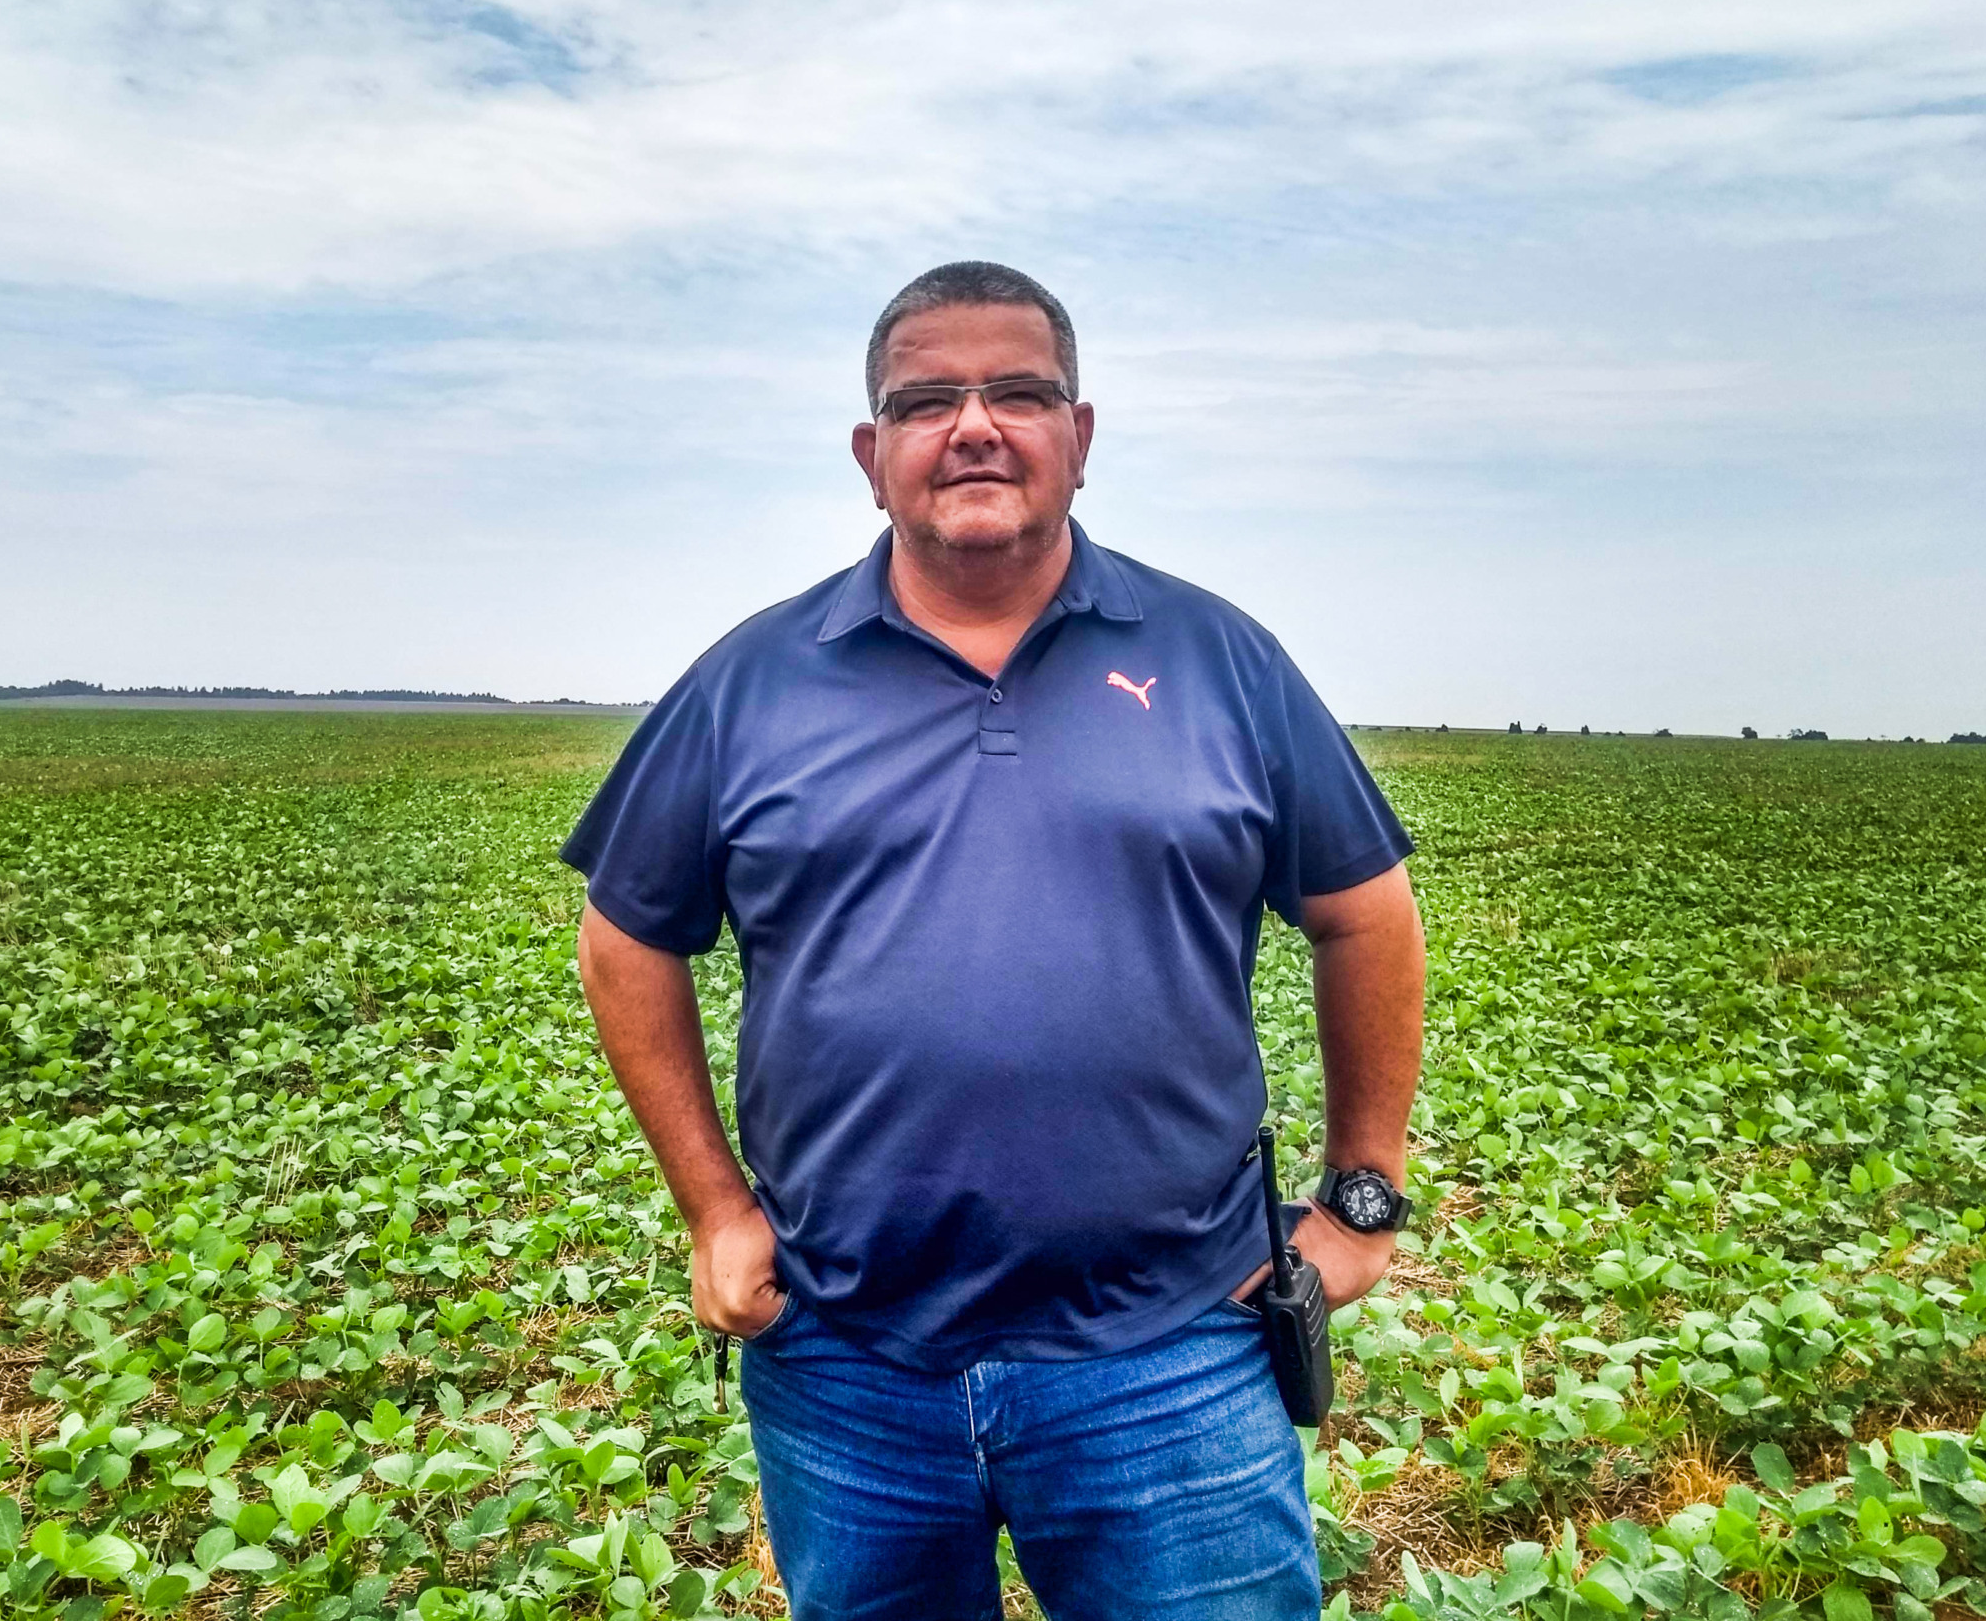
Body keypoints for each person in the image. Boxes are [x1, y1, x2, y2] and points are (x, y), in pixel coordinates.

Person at [562, 261, 1426, 1621]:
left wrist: (1363, 1192)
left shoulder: (1219, 658)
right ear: (873, 455)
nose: (975, 425)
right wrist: (713, 1207)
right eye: (927, 400)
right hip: (849, 1353)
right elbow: (624, 938)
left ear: (1079, 437)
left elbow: (1363, 909)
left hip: (1173, 1350)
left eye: (1018, 392)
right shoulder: (755, 680)